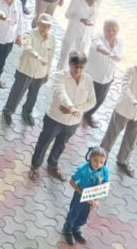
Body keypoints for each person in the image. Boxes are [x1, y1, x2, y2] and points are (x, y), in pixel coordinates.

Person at [30, 51, 96, 181]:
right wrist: (71, 107)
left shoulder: (87, 79)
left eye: (81, 67)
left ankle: (52, 164)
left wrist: (74, 110)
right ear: (69, 64)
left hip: (73, 121)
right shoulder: (59, 76)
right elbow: (61, 93)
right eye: (75, 66)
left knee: (61, 144)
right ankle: (35, 166)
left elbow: (92, 101)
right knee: (44, 143)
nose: (77, 70)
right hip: (55, 119)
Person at [99, 54, 137, 177]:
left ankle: (123, 160)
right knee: (111, 135)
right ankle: (100, 158)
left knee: (132, 138)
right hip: (124, 109)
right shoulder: (132, 70)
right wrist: (135, 102)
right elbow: (125, 87)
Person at [2, 14, 56, 127]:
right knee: (17, 93)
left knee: (33, 95)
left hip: (40, 73)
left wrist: (47, 72)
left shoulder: (52, 38)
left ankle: (27, 113)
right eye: (44, 25)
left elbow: (50, 57)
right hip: (25, 71)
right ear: (38, 23)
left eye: (48, 26)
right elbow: (27, 47)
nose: (46, 29)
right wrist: (38, 57)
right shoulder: (29, 34)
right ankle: (8, 111)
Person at [62, 147, 109, 246]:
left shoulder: (104, 170)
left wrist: (96, 199)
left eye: (101, 162)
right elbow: (72, 181)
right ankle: (68, 229)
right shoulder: (83, 169)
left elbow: (105, 184)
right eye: (95, 161)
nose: (98, 164)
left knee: (84, 215)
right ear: (90, 158)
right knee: (74, 213)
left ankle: (76, 228)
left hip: (92, 197)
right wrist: (81, 192)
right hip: (80, 195)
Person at [83, 20, 124, 128]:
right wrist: (110, 54)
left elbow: (120, 56)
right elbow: (99, 47)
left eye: (114, 30)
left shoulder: (120, 42)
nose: (111, 33)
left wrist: (118, 57)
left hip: (107, 78)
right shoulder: (97, 38)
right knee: (84, 97)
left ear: (118, 31)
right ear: (103, 29)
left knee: (99, 100)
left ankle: (88, 115)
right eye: (108, 30)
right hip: (92, 76)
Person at [58, 0, 100, 70]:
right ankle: (59, 77)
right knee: (65, 58)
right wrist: (80, 19)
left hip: (85, 36)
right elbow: (67, 14)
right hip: (73, 32)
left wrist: (91, 33)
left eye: (93, 0)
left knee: (79, 60)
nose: (91, 2)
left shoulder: (97, 3)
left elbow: (95, 19)